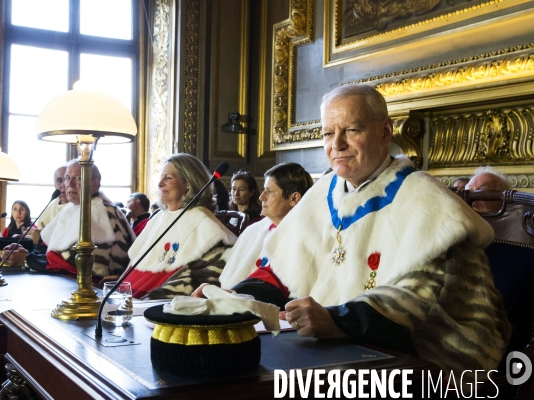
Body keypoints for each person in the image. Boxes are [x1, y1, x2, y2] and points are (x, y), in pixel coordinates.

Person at [202, 84, 510, 379]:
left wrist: (338, 320)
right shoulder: (324, 192)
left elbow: (417, 297)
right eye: (327, 133)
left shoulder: (427, 200)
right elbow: (287, 267)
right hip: (340, 346)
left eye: (351, 130)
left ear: (385, 131)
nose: (336, 145)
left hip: (429, 357)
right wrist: (240, 295)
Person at [103, 153, 237, 299]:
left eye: (168, 178)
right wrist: (118, 283)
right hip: (125, 299)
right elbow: (137, 263)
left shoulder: (205, 223)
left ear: (188, 183)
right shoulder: (159, 217)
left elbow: (199, 279)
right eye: (161, 178)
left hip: (151, 306)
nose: (160, 184)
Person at [218, 162, 313, 289]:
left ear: (294, 199)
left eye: (269, 191)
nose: (262, 197)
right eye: (264, 190)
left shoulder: (303, 238)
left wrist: (230, 295)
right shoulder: (254, 230)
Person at [39, 159, 134, 278]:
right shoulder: (70, 208)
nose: (70, 184)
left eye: (78, 178)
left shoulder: (104, 211)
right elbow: (51, 249)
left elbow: (93, 266)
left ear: (94, 184)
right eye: (67, 178)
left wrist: (36, 260)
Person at [37, 165, 69, 230]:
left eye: (67, 179)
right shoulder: (54, 203)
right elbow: (39, 226)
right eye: (59, 180)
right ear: (54, 184)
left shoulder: (76, 206)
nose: (63, 185)